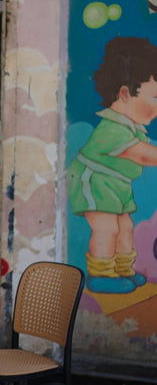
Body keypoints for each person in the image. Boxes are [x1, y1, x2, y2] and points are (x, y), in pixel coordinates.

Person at [67, 35, 157, 293]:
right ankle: (101, 274)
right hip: (94, 181)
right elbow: (142, 155)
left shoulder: (130, 127)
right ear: (125, 93)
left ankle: (123, 269)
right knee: (107, 227)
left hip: (116, 183)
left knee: (125, 226)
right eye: (155, 98)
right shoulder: (113, 128)